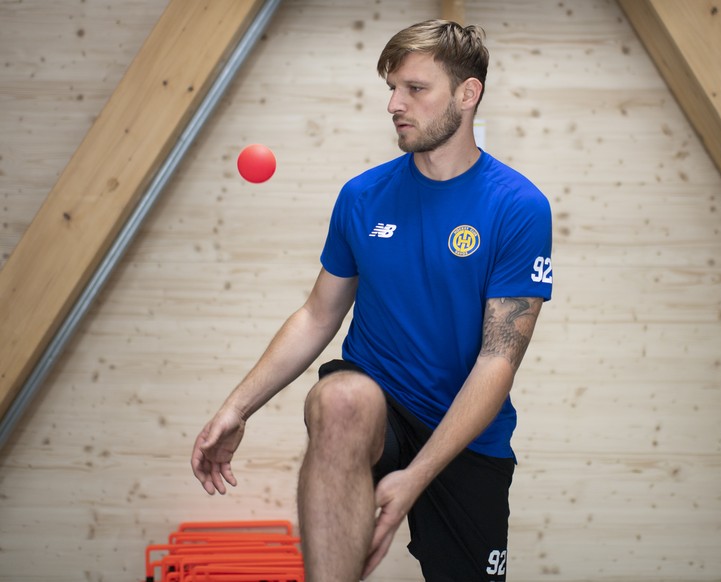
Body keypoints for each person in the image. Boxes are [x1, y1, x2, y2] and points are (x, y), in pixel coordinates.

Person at [191, 19, 553, 581]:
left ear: (467, 93)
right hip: (379, 399)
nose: (393, 103)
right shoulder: (362, 197)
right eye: (391, 87)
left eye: (414, 88)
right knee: (340, 402)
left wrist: (415, 478)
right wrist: (236, 407)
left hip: (465, 435)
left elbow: (497, 360)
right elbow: (318, 315)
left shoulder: (517, 207)